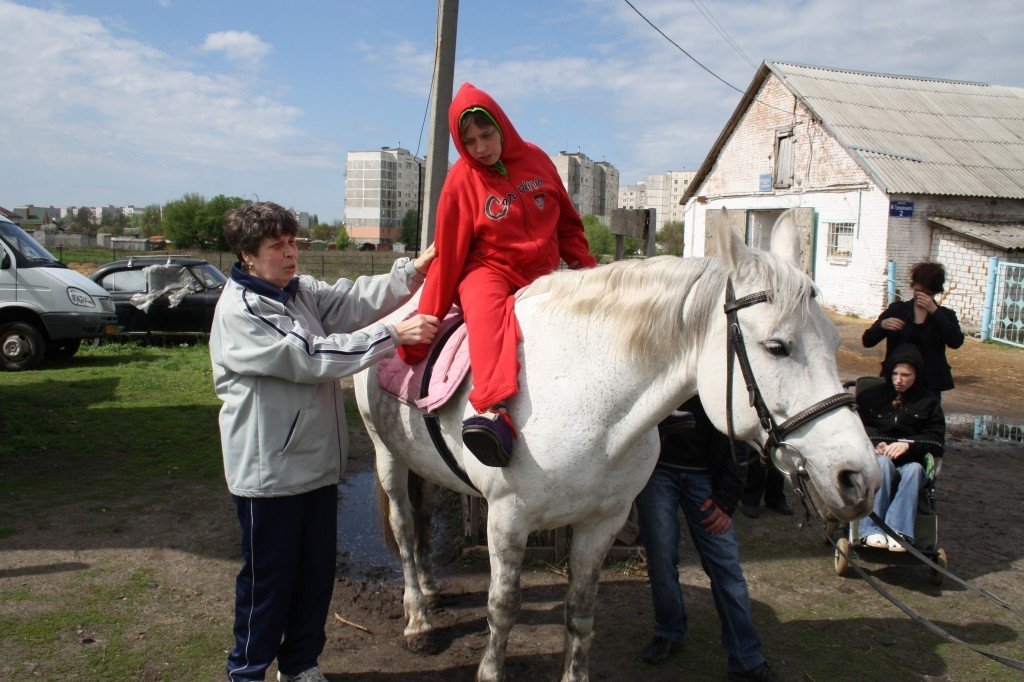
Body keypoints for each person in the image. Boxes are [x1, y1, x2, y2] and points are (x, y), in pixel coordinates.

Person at [210, 202, 439, 682]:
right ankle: (246, 671)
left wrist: (412, 271)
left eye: (293, 243)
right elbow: (311, 355)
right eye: (277, 246)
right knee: (269, 582)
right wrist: (393, 333)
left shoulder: (296, 292)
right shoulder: (245, 310)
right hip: (269, 473)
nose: (291, 254)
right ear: (247, 255)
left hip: (312, 464)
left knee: (315, 577)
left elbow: (352, 301)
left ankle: (300, 665)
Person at [396, 82, 596, 468]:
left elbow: (568, 226)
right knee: (487, 316)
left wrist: (591, 275)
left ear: (502, 126)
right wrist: (427, 321)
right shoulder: (460, 182)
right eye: (469, 141)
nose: (481, 148)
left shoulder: (537, 160)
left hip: (541, 271)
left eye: (486, 135)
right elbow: (449, 255)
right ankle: (492, 412)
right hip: (487, 269)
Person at [635, 396, 780, 682]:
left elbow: (739, 435)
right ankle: (669, 630)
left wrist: (727, 501)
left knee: (725, 567)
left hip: (707, 480)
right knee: (661, 562)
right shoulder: (662, 360)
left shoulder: (718, 368)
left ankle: (746, 658)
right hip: (657, 473)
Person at [855, 344, 945, 552]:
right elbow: (855, 429)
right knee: (885, 464)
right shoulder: (870, 397)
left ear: (917, 375)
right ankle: (871, 529)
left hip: (911, 462)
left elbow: (937, 441)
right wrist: (876, 443)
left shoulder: (928, 402)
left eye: (906, 375)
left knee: (914, 470)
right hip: (877, 459)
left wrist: (908, 445)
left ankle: (898, 531)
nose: (899, 380)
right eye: (895, 373)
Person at [862, 261, 964, 397]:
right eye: (917, 290)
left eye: (927, 293)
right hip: (896, 381)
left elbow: (956, 341)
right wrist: (882, 325)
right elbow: (867, 341)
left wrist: (934, 311)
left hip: (929, 384)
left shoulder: (945, 315)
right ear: (913, 287)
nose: (921, 296)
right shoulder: (897, 310)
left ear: (935, 292)